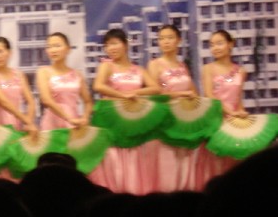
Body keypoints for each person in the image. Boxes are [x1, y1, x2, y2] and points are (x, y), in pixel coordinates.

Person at [89, 28, 160, 194]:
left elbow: (156, 88)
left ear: (126, 45)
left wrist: (135, 93)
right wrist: (122, 95)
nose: (110, 48)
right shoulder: (106, 66)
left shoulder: (138, 70)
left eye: (114, 43)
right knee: (114, 157)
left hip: (133, 120)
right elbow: (98, 86)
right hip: (113, 120)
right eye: (107, 45)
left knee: (134, 156)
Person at [146, 24, 198, 191]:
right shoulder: (155, 64)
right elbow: (155, 93)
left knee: (186, 160)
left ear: (178, 41)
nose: (165, 42)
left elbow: (193, 91)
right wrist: (180, 94)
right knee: (168, 162)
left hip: (185, 118)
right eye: (161, 38)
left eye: (170, 38)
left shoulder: (182, 66)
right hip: (166, 118)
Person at [194, 30, 246, 187]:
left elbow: (238, 98)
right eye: (212, 45)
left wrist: (242, 113)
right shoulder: (208, 69)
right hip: (216, 121)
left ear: (231, 44)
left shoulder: (241, 71)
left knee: (235, 165)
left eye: (219, 43)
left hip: (235, 121)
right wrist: (231, 112)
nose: (215, 48)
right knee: (215, 166)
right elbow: (210, 96)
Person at [36, 32, 91, 130]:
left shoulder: (77, 74)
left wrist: (85, 117)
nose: (53, 50)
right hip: (52, 124)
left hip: (74, 123)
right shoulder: (43, 71)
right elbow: (46, 99)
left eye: (57, 46)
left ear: (68, 49)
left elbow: (88, 101)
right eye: (49, 47)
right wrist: (69, 119)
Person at [0, 37, 37, 134]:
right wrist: (26, 120)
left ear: (9, 53)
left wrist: (29, 122)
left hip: (16, 123)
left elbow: (30, 101)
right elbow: (2, 101)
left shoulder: (19, 74)